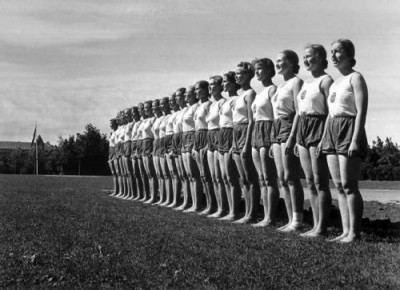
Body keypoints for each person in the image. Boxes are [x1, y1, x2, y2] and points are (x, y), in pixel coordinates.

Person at [322, 39, 368, 243]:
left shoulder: (355, 78)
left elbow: (361, 111)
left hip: (349, 130)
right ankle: (345, 230)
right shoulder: (335, 83)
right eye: (331, 52)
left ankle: (355, 233)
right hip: (332, 131)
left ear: (349, 54)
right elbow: (330, 114)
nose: (333, 56)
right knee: (338, 186)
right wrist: (325, 137)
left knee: (350, 185)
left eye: (338, 51)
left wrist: (355, 140)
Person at [295, 44, 333, 237]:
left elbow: (330, 112)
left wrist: (324, 138)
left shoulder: (326, 81)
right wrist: (296, 138)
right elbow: (300, 112)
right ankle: (315, 224)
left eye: (309, 56)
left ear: (319, 57)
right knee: (309, 181)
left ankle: (322, 227)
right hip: (303, 129)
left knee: (320, 181)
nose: (305, 60)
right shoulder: (306, 83)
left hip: (319, 128)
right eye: (304, 57)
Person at [271, 50, 305, 232]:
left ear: (291, 63)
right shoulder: (279, 86)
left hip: (288, 126)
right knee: (282, 178)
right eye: (276, 61)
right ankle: (290, 218)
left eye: (280, 61)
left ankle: (298, 220)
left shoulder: (296, 82)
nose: (277, 64)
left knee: (291, 177)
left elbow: (299, 111)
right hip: (276, 129)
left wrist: (292, 136)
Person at [250, 58, 280, 227]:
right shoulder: (259, 92)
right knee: (261, 178)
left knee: (269, 178)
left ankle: (271, 217)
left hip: (268, 130)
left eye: (260, 69)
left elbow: (276, 116)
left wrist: (272, 137)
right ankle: (265, 216)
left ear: (269, 70)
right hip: (256, 131)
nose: (257, 72)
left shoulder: (272, 90)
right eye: (256, 70)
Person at [232, 62, 259, 224]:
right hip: (235, 133)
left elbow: (251, 121)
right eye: (236, 74)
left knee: (250, 177)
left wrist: (247, 144)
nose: (237, 76)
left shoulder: (250, 94)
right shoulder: (238, 95)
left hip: (245, 133)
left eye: (240, 73)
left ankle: (252, 213)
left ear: (248, 75)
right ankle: (246, 212)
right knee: (242, 178)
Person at [218, 72, 241, 221]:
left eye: (226, 82)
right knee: (224, 176)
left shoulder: (236, 99)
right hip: (221, 134)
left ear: (233, 83)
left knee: (232, 177)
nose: (223, 85)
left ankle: (235, 211)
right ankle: (226, 208)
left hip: (230, 134)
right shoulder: (224, 101)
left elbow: (235, 122)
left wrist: (234, 142)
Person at [206, 75, 227, 218]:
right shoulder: (211, 104)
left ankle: (224, 208)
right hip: (209, 137)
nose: (210, 87)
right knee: (213, 176)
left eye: (213, 84)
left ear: (220, 86)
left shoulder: (222, 102)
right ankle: (216, 206)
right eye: (209, 84)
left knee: (221, 176)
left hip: (219, 136)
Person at [193, 80, 215, 216]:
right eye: (195, 89)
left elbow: (210, 124)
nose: (196, 92)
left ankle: (213, 204)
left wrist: (207, 143)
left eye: (198, 89)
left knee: (208, 174)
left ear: (206, 90)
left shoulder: (208, 105)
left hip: (206, 137)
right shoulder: (198, 106)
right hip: (197, 138)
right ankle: (207, 204)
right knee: (202, 175)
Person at [181, 85, 202, 212]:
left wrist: (195, 143)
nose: (185, 96)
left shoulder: (198, 107)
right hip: (184, 138)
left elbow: (197, 126)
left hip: (192, 138)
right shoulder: (187, 109)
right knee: (188, 174)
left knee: (195, 175)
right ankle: (190, 202)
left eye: (188, 93)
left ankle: (197, 204)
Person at [173, 88, 191, 211]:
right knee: (182, 174)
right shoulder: (180, 112)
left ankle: (190, 202)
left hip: (189, 139)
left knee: (190, 174)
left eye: (180, 95)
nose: (177, 98)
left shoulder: (190, 109)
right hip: (180, 140)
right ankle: (184, 200)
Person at [164, 93, 181, 208]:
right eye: (170, 101)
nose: (171, 102)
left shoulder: (179, 113)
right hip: (167, 141)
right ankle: (169, 198)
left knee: (177, 174)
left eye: (173, 100)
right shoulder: (171, 115)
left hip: (177, 140)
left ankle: (176, 199)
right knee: (169, 173)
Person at [158, 97, 174, 206]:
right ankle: (165, 198)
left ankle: (172, 199)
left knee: (172, 173)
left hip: (172, 141)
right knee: (162, 174)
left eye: (164, 104)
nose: (161, 106)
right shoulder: (163, 118)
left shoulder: (172, 115)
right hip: (161, 143)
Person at [141, 101, 157, 203]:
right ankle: (150, 195)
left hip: (150, 144)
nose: (145, 109)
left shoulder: (154, 119)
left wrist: (153, 148)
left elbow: (156, 134)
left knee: (152, 173)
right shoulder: (145, 121)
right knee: (148, 174)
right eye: (144, 108)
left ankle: (154, 196)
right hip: (144, 145)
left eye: (147, 107)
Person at [150, 99, 165, 205]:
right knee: (158, 174)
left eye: (157, 105)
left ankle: (168, 199)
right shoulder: (155, 120)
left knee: (166, 174)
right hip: (156, 144)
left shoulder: (165, 118)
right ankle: (160, 198)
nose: (154, 108)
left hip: (163, 143)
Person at [121, 108, 135, 199]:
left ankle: (133, 193)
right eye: (124, 114)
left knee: (131, 172)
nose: (125, 116)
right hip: (125, 146)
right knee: (126, 172)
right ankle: (128, 192)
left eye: (127, 114)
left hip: (130, 145)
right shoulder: (126, 125)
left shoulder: (133, 124)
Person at [130, 106, 142, 200]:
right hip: (132, 146)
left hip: (139, 145)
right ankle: (135, 193)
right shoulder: (132, 124)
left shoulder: (140, 122)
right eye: (132, 113)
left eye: (135, 112)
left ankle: (142, 194)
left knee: (141, 172)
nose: (133, 114)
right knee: (134, 172)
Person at [108, 117, 119, 196]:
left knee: (117, 173)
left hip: (115, 151)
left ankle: (119, 191)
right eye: (110, 124)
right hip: (111, 151)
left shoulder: (118, 132)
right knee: (113, 173)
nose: (110, 126)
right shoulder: (112, 133)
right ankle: (116, 190)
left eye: (111, 124)